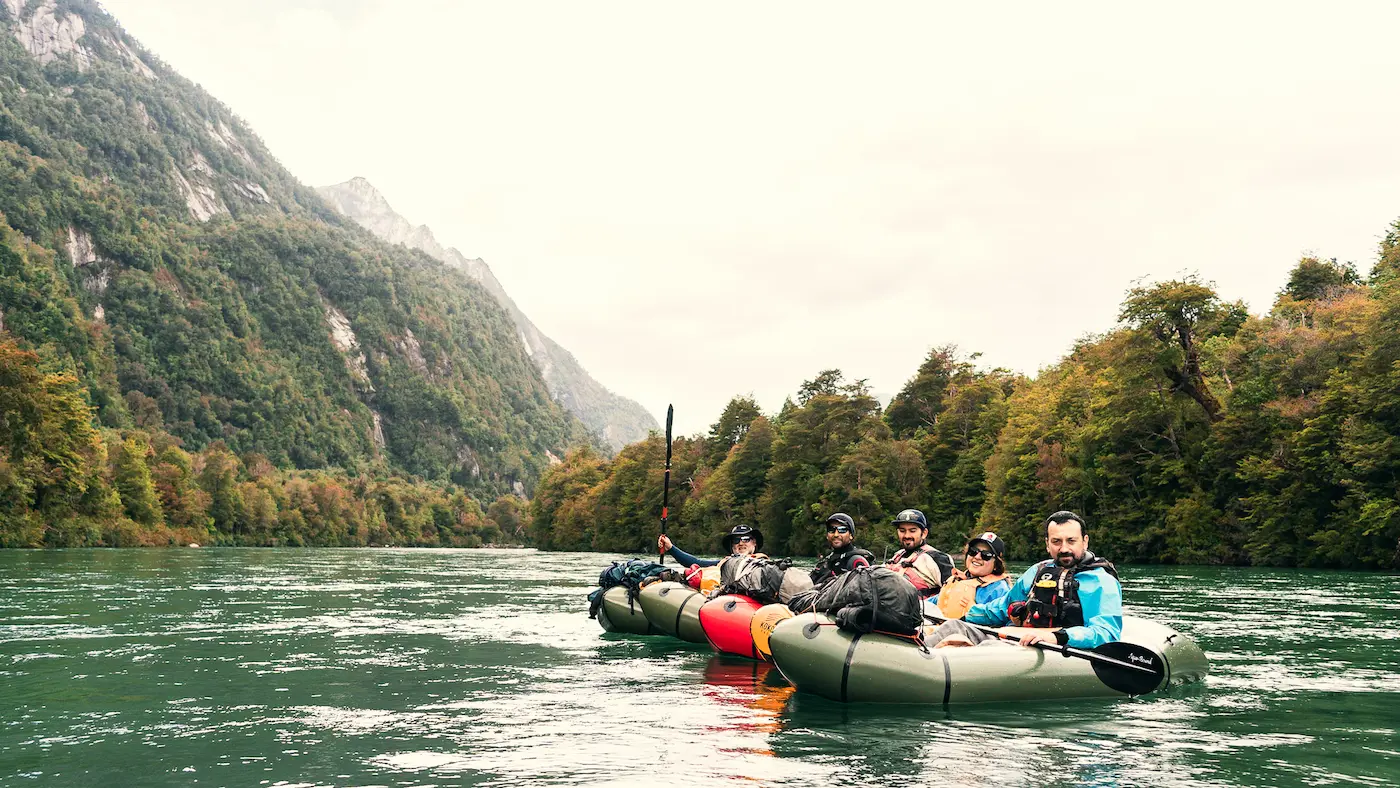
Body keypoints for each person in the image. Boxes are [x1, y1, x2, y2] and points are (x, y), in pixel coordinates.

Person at [928, 511, 1122, 649]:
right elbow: (1002, 607)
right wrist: (967, 615)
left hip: (1052, 646)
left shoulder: (1101, 581)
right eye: (1056, 542)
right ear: (1047, 544)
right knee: (955, 627)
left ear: (1085, 541)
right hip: (1019, 636)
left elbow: (1106, 632)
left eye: (1071, 541)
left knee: (989, 646)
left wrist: (1056, 637)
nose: (1063, 548)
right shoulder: (1038, 571)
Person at [929, 531, 1011, 620]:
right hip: (939, 627)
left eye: (986, 555)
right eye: (973, 551)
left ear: (996, 565)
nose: (977, 557)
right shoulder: (956, 580)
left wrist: (976, 612)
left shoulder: (1000, 589)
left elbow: (1006, 620)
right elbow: (929, 604)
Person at [885, 509, 955, 598]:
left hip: (922, 609)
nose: (907, 535)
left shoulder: (937, 558)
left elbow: (955, 591)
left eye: (912, 531)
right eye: (902, 531)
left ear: (924, 533)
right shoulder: (897, 556)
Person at [809, 513, 875, 585]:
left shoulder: (856, 561)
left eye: (842, 530)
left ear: (851, 535)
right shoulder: (827, 562)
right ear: (827, 535)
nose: (836, 535)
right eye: (832, 530)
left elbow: (867, 591)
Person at [658, 524, 764, 568]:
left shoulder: (765, 564)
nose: (741, 543)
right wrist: (670, 548)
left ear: (754, 542)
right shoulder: (724, 564)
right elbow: (696, 563)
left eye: (746, 539)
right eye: (736, 540)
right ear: (732, 547)